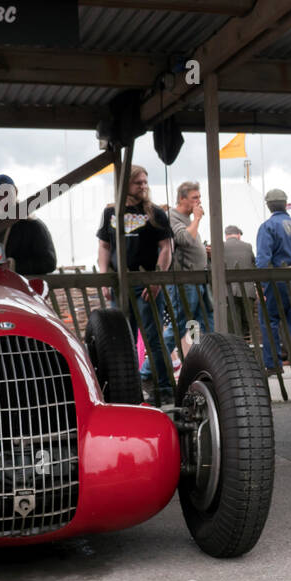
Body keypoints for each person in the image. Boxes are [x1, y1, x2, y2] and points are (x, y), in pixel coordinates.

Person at [95, 164, 175, 404]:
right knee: (120, 339)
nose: (143, 186)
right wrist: (103, 275)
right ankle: (125, 390)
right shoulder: (110, 213)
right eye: (138, 182)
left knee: (154, 338)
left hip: (146, 284)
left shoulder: (155, 213)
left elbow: (166, 247)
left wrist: (156, 279)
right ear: (124, 185)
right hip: (119, 284)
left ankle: (164, 389)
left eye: (145, 182)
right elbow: (104, 246)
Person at [256, 187, 291, 367]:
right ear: (285, 204)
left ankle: (273, 364)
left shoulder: (267, 227)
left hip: (276, 281)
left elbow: (263, 260)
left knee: (270, 321)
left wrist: (263, 286)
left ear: (269, 206)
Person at [166, 180, 214, 334]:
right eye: (194, 198)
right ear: (182, 198)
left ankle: (200, 354)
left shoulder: (188, 219)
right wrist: (197, 219)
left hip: (199, 278)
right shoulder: (172, 216)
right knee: (181, 323)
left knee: (205, 320)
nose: (199, 201)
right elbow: (185, 239)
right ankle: (159, 358)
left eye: (199, 197)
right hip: (184, 279)